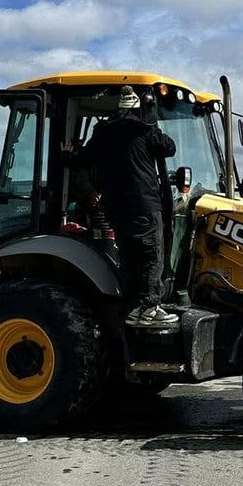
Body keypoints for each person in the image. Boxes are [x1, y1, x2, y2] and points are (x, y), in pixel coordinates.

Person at [73, 86, 177, 326]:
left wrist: (68, 155)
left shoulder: (102, 132)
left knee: (129, 257)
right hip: (144, 205)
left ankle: (132, 307)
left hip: (116, 209)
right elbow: (169, 148)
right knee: (152, 256)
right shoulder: (142, 130)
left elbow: (84, 158)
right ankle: (150, 307)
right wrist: (151, 123)